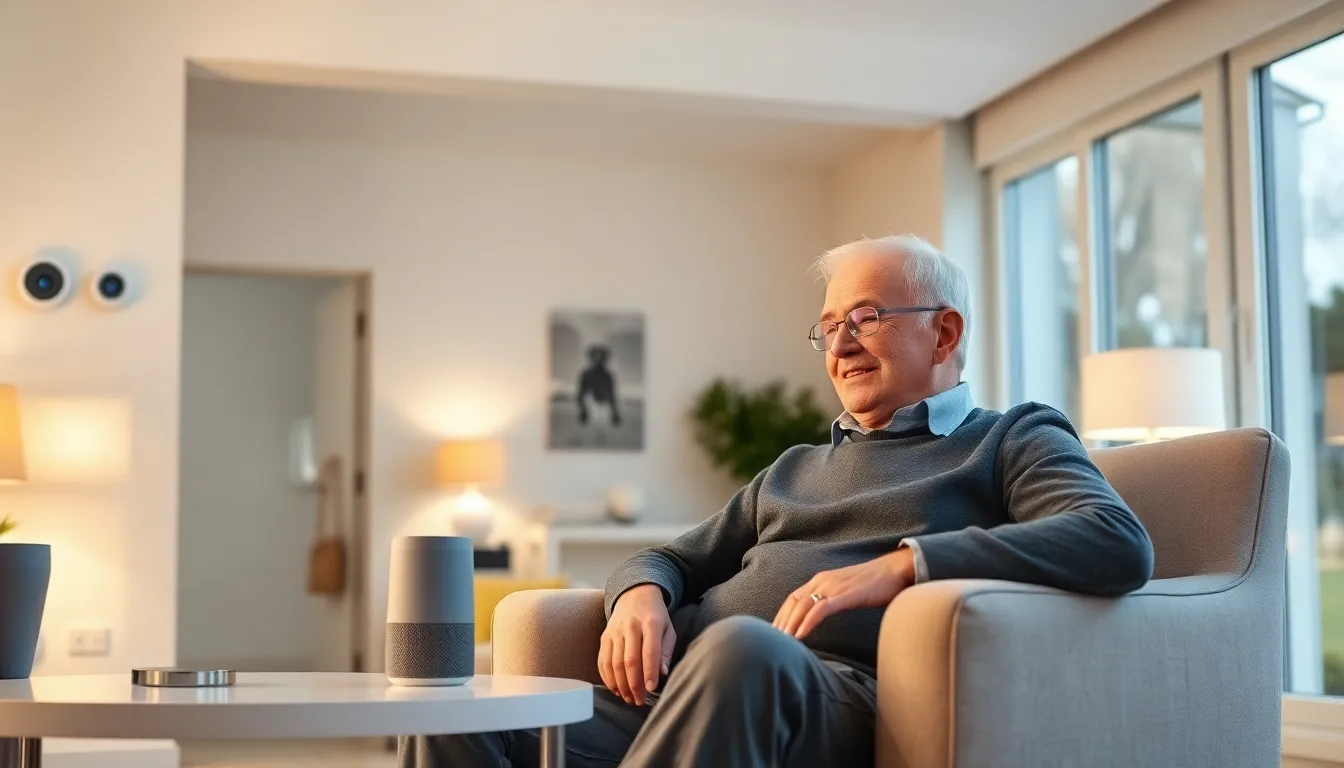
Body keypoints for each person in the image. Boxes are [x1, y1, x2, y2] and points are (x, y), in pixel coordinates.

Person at [401, 235, 1154, 767]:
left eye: (865, 318)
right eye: (828, 327)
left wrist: (904, 566)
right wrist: (637, 595)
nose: (840, 345)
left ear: (944, 331)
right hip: (675, 696)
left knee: (744, 646)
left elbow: (1113, 538)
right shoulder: (794, 467)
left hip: (822, 698)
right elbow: (668, 555)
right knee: (459, 706)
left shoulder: (1010, 438)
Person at [576, 345, 622, 427]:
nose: (599, 360)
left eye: (601, 358)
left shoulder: (607, 376)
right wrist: (583, 410)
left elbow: (612, 395)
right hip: (594, 405)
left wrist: (614, 413)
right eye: (596, 357)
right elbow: (581, 394)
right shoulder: (587, 375)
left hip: (601, 405)